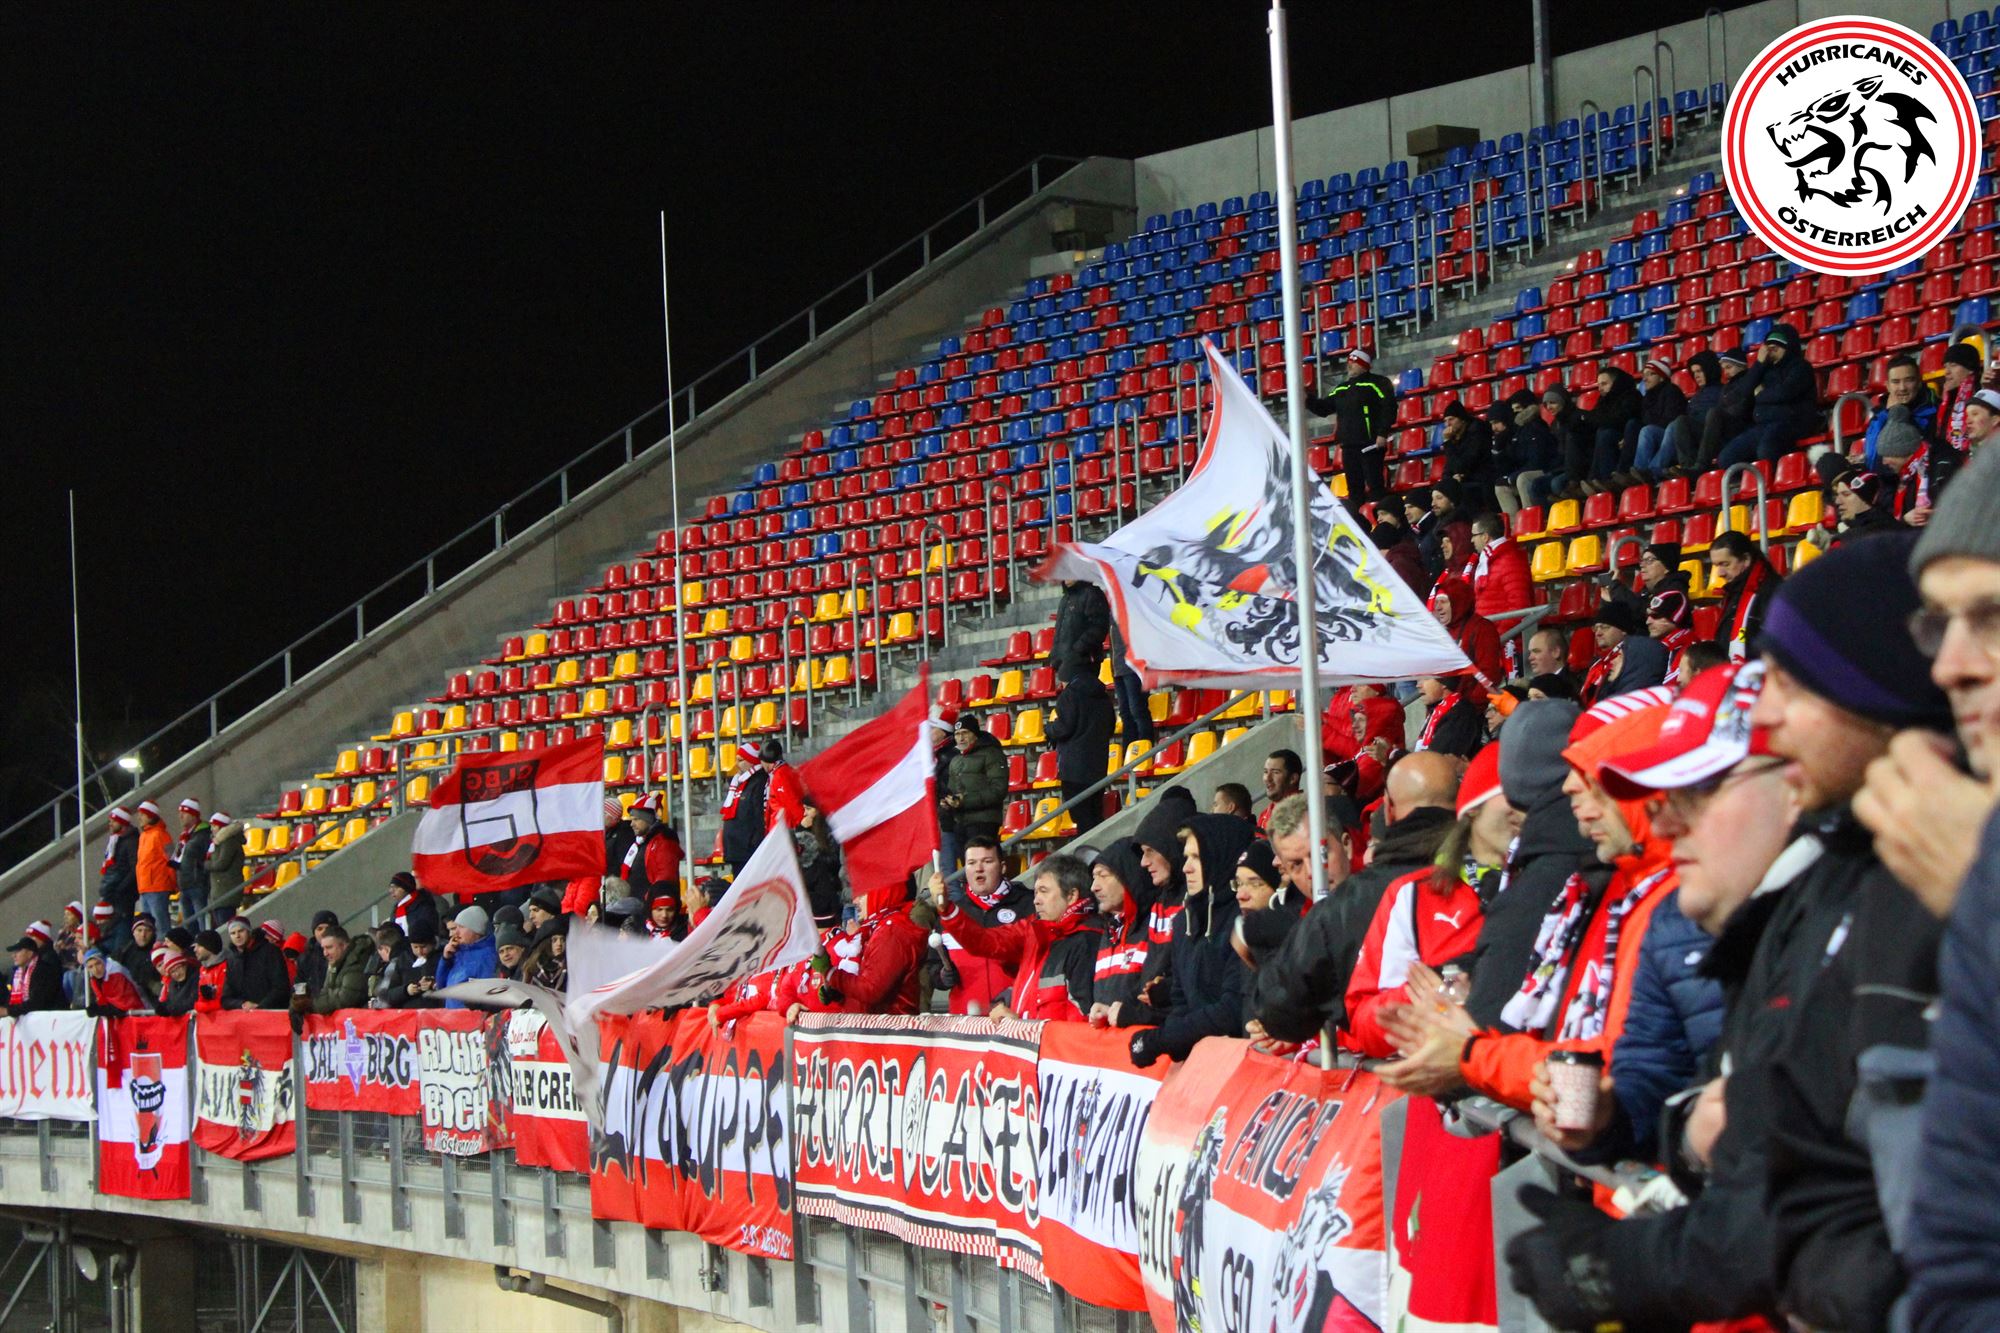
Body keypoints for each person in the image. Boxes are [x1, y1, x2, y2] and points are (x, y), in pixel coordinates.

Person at [1249, 757, 1459, 1045]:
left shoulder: (1357, 904)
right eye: (1296, 864)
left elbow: (1280, 1008)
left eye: (1321, 854)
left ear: (1347, 845)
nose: (1313, 873)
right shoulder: (1309, 920)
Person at [1341, 744, 1512, 1057]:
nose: (1523, 811)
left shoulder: (1557, 886)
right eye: (1514, 797)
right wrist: (1432, 997)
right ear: (1473, 807)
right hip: (1444, 1078)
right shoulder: (1415, 893)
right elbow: (1364, 1019)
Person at [1128, 814, 1259, 1066]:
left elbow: (1232, 1009)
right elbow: (1180, 1002)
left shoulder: (1244, 920)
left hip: (1241, 1065)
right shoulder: (1183, 922)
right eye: (1186, 857)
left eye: (1196, 858)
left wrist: (1161, 1040)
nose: (1186, 867)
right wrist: (1176, 1045)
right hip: (1201, 1065)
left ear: (1220, 858)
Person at [928, 852, 1101, 1021]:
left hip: (1047, 1040)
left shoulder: (1088, 939)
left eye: (1044, 891)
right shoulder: (1033, 930)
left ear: (1071, 896)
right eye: (1036, 892)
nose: (1036, 900)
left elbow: (1079, 1022)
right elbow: (985, 941)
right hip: (1029, 1038)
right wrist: (947, 910)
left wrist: (1023, 1025)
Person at [931, 835, 1033, 1017]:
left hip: (1014, 1019)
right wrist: (941, 976)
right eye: (971, 863)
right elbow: (932, 964)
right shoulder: (952, 911)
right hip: (964, 1023)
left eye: (987, 861)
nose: (978, 868)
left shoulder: (1029, 904)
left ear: (1002, 866)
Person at [1305, 346, 1397, 503]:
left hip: (1370, 444)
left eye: (1354, 362)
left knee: (1375, 484)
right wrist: (1307, 399)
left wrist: (1382, 433)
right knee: (1354, 489)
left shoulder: (1378, 383)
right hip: (1348, 446)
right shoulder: (1342, 388)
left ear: (1364, 365)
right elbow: (1324, 408)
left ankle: (1379, 514)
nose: (1350, 365)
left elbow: (1389, 408)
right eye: (1349, 362)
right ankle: (1357, 515)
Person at [1720, 324, 1821, 466]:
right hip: (1763, 425)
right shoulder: (1765, 368)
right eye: (1769, 349)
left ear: (1787, 347)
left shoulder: (1801, 367)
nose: (1771, 352)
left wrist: (1759, 394)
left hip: (1792, 422)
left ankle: (1775, 478)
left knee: (1766, 450)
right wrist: (1759, 364)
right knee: (1726, 458)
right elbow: (1742, 392)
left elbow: (1784, 393)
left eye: (1775, 348)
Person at [1084, 838, 1160, 1025]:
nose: (1094, 887)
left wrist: (1124, 1015)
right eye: (1094, 877)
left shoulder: (1156, 926)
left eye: (1103, 875)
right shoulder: (1109, 932)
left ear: (1129, 875)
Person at [1047, 651, 1114, 833]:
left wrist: (1049, 729)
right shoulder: (1102, 694)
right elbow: (1110, 726)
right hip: (1098, 766)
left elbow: (1064, 727)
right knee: (1095, 815)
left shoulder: (1069, 695)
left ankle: (1089, 851)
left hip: (1074, 769)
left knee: (1081, 818)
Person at [1876, 403, 1960, 528]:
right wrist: (1905, 520)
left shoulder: (1943, 466)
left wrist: (1936, 516)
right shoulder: (1902, 477)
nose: (1884, 462)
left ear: (1903, 451)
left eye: (1888, 455)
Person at [1709, 530, 1779, 661]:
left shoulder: (1770, 590)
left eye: (1725, 564)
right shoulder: (1733, 592)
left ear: (1746, 559)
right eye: (1717, 565)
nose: (1720, 573)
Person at [1685, 344, 1755, 475]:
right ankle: (1688, 470)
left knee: (1714, 413)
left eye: (1729, 367)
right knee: (1681, 422)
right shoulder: (1727, 387)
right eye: (1724, 368)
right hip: (1725, 430)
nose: (1726, 372)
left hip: (1741, 429)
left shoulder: (1747, 381)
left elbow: (1741, 409)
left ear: (1741, 366)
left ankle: (1701, 466)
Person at [1861, 353, 1937, 471]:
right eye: (1896, 382)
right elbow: (1872, 463)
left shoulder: (1935, 411)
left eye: (1908, 380)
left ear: (1919, 381)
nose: (1902, 388)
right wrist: (1891, 415)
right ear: (1888, 386)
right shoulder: (1879, 417)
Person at [942, 714, 1007, 849]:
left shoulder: (992, 754)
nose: (961, 738)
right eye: (957, 734)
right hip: (960, 823)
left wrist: (965, 800)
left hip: (984, 822)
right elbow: (951, 790)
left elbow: (998, 790)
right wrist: (947, 803)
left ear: (975, 734)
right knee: (966, 862)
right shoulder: (955, 760)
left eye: (965, 733)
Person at [1428, 573, 1504, 685]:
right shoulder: (1443, 633)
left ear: (1458, 601)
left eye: (1443, 602)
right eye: (1436, 603)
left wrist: (1468, 697)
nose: (1438, 607)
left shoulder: (1482, 629)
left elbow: (1489, 673)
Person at [1582, 363, 1644, 490]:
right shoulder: (1603, 400)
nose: (1600, 388)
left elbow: (1620, 419)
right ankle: (1596, 479)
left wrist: (1593, 419)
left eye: (1604, 384)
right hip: (1613, 435)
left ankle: (1607, 479)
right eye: (1599, 385)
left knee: (1604, 434)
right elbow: (1595, 419)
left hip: (1628, 435)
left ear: (1616, 383)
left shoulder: (1632, 396)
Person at [1663, 350, 1723, 477]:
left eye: (1699, 371)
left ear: (1709, 370)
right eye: (1694, 372)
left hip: (1716, 437)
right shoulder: (1697, 396)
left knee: (1682, 421)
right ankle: (1687, 469)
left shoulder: (1723, 391)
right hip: (1697, 437)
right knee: (1679, 422)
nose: (1696, 376)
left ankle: (1694, 469)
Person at [1632, 356, 1689, 482]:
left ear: (1662, 377)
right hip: (1661, 435)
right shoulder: (1647, 397)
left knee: (1669, 428)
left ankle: (1652, 472)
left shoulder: (1672, 391)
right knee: (1646, 430)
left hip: (1675, 438)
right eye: (1644, 375)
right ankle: (1639, 472)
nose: (1645, 379)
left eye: (1651, 374)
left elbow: (1671, 419)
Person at [1439, 400, 1498, 515]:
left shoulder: (1478, 432)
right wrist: (1450, 479)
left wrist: (1447, 442)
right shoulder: (1455, 438)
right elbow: (1449, 467)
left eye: (1451, 419)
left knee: (1459, 493)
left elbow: (1463, 465)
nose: (1447, 424)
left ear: (1462, 419)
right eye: (1445, 421)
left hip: (1483, 480)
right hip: (1467, 479)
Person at [433, 906, 499, 1006]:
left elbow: (487, 997)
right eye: (456, 927)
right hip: (452, 1013)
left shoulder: (488, 957)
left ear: (476, 930)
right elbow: (441, 986)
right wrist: (445, 959)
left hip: (470, 1015)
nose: (456, 932)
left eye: (461, 927)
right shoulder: (459, 951)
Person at [220, 915, 289, 1011]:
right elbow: (226, 998)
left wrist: (260, 1006)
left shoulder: (270, 951)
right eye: (233, 933)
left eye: (241, 931)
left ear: (249, 931)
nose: (237, 936)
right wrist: (242, 1004)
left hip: (272, 1012)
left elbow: (281, 987)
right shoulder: (232, 960)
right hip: (247, 1016)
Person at [621, 793, 684, 897]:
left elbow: (665, 876)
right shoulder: (640, 842)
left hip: (653, 902)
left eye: (636, 819)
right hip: (636, 900)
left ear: (648, 819)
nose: (631, 824)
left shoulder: (664, 840)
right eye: (631, 820)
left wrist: (651, 898)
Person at [1050, 579, 1111, 679]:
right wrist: (1055, 655)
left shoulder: (1092, 594)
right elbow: (1059, 630)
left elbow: (1098, 627)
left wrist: (1077, 651)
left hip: (1084, 661)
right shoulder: (1065, 599)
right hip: (1064, 661)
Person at [1579, 602, 1637, 706]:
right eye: (1596, 628)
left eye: (1604, 627)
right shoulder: (1597, 663)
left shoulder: (1629, 659)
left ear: (1623, 630)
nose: (1598, 633)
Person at [302, 924, 369, 1014]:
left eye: (329, 947)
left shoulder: (357, 962)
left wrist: (310, 1005)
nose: (325, 953)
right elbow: (324, 992)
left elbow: (345, 998)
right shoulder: (335, 962)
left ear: (344, 946)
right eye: (323, 948)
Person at [719, 753, 768, 873]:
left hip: (747, 848)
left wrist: (754, 842)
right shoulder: (737, 782)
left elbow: (758, 814)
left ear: (752, 761)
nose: (737, 764)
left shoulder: (759, 781)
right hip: (735, 848)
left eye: (741, 760)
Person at [96, 807, 138, 947]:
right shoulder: (117, 840)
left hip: (125, 895)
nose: (110, 824)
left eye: (113, 821)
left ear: (122, 822)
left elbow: (134, 868)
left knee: (123, 928)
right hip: (116, 894)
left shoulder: (130, 841)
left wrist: (120, 888)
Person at [132, 799, 175, 929]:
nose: (139, 817)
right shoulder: (144, 836)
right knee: (148, 926)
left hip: (158, 887)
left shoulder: (161, 835)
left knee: (160, 925)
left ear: (151, 816)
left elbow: (171, 860)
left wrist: (174, 884)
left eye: (142, 814)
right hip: (145, 887)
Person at [170, 798, 211, 929]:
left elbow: (207, 858)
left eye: (184, 813)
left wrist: (200, 874)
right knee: (189, 926)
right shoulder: (185, 836)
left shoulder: (203, 834)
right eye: (180, 813)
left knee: (202, 923)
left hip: (197, 885)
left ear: (194, 815)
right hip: (184, 885)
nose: (180, 816)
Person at [1937, 339, 1983, 457]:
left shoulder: (1982, 399)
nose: (1947, 372)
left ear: (1970, 369)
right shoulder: (1944, 404)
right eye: (1945, 366)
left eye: (1953, 365)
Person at [6, 922, 63, 1015]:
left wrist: (8, 1011)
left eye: (18, 951)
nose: (14, 955)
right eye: (13, 952)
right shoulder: (16, 973)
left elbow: (37, 1002)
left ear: (30, 953)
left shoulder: (43, 970)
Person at [202, 811, 243, 924]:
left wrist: (204, 864)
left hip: (226, 890)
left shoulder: (228, 842)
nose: (212, 829)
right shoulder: (218, 843)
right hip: (220, 891)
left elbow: (221, 863)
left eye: (214, 826)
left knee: (225, 925)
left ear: (222, 827)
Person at [1646, 590, 1697, 678]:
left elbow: (1674, 681)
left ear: (1676, 617)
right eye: (1647, 616)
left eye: (1656, 616)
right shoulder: (1663, 645)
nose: (1648, 622)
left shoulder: (1688, 647)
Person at [368, 923, 420, 1009]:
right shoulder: (411, 954)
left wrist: (375, 1004)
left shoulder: (394, 963)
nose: (379, 956)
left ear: (386, 949)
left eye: (380, 951)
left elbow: (384, 998)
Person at [759, 740, 805, 833]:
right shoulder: (781, 772)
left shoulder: (780, 775)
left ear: (765, 760)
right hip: (780, 828)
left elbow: (792, 803)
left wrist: (801, 825)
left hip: (783, 830)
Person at [388, 872, 440, 945]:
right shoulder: (397, 908)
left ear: (405, 888)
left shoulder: (423, 906)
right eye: (390, 887)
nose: (391, 891)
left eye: (395, 887)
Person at [1257, 751, 1304, 830]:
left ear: (1293, 778)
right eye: (1265, 772)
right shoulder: (1263, 816)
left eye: (1275, 772)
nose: (1267, 778)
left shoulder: (1306, 810)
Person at [117, 913, 161, 995]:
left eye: (148, 931)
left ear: (153, 933)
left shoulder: (158, 952)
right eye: (139, 930)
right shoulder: (125, 950)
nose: (143, 935)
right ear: (133, 932)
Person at [155, 947, 198, 1017]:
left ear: (185, 965)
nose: (177, 974)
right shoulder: (172, 984)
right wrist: (163, 1007)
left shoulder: (196, 978)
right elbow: (171, 1001)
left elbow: (193, 1002)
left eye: (178, 968)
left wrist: (171, 1009)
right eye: (173, 972)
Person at [192, 930, 228, 1013]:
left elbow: (225, 1000)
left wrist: (199, 1007)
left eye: (199, 946)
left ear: (209, 946)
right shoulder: (203, 969)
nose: (195, 950)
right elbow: (201, 998)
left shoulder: (226, 965)